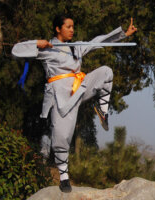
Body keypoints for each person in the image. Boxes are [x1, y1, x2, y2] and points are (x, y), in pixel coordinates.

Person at [12, 14, 137, 193]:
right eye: (68, 27)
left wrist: (123, 34)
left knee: (106, 73)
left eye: (73, 27)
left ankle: (102, 111)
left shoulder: (75, 47)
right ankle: (64, 177)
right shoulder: (47, 48)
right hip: (61, 97)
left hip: (79, 88)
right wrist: (35, 44)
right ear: (58, 28)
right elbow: (15, 51)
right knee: (62, 137)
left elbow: (97, 42)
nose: (72, 30)